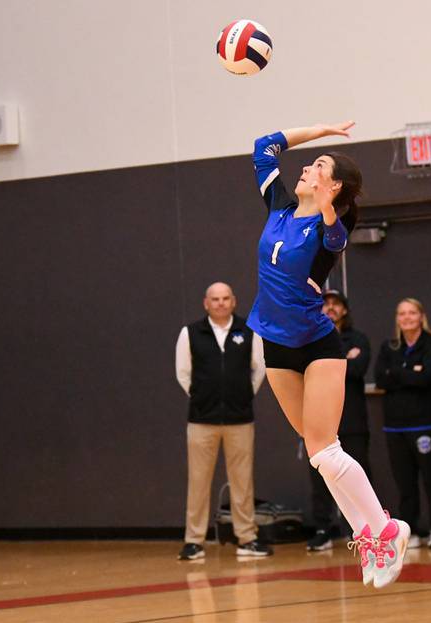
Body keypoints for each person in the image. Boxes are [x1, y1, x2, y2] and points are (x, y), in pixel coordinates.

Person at [247, 121, 410, 589]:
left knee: (325, 447)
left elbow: (336, 241)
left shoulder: (330, 225)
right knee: (321, 456)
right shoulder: (278, 205)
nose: (306, 166)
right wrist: (320, 132)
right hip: (275, 342)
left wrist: (328, 210)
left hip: (317, 344)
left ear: (333, 185)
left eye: (318, 166)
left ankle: (385, 530)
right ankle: (372, 533)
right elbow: (264, 146)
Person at [175, 282, 273, 560]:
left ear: (234, 301)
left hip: (240, 420)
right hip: (201, 421)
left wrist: (240, 397)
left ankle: (247, 538)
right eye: (215, 299)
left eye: (225, 298)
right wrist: (203, 398)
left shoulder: (249, 331)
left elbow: (259, 369)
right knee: (198, 481)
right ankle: (194, 541)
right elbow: (184, 374)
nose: (220, 303)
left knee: (242, 482)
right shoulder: (190, 333)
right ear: (206, 303)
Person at [374, 298, 431, 549]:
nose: (406, 318)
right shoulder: (389, 347)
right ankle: (411, 531)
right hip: (395, 426)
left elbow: (427, 378)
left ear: (421, 316)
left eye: (411, 313)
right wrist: (410, 372)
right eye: (402, 314)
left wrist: (397, 373)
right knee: (405, 482)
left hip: (426, 424)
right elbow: (380, 379)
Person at [306, 289, 372, 552]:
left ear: (344, 310)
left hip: (352, 419)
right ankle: (323, 528)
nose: (330, 308)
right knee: (321, 476)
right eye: (325, 304)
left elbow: (357, 370)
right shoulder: (309, 339)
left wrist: (331, 366)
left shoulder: (358, 338)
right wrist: (345, 359)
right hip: (321, 419)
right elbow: (310, 372)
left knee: (356, 471)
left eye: (336, 304)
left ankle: (364, 528)